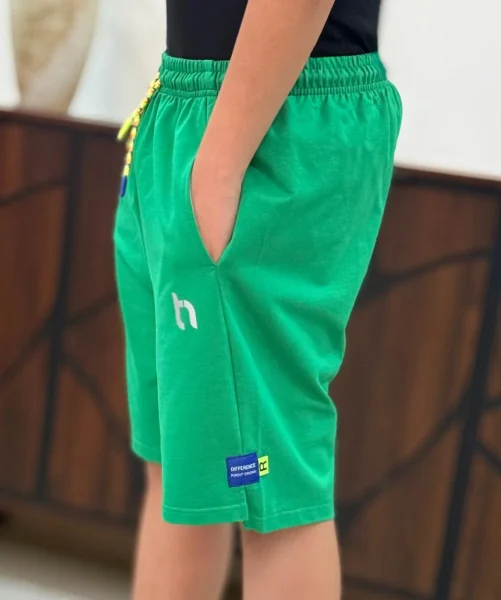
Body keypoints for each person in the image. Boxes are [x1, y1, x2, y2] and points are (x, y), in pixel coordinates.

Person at [114, 0, 401, 598]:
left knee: (274, 490)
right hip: (187, 107)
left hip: (270, 126)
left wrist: (219, 167)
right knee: (182, 465)